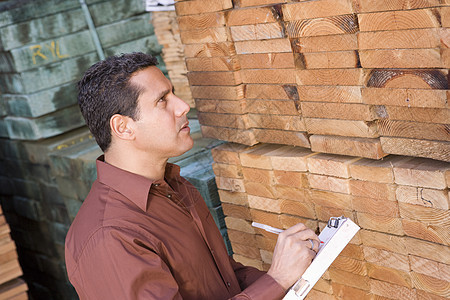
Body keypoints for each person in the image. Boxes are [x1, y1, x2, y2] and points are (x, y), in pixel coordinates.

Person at [65, 52, 320, 299]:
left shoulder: (174, 187)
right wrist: (277, 280)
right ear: (123, 127)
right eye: (162, 100)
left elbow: (226, 282)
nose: (183, 106)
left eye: (173, 93)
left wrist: (292, 272)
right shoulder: (109, 237)